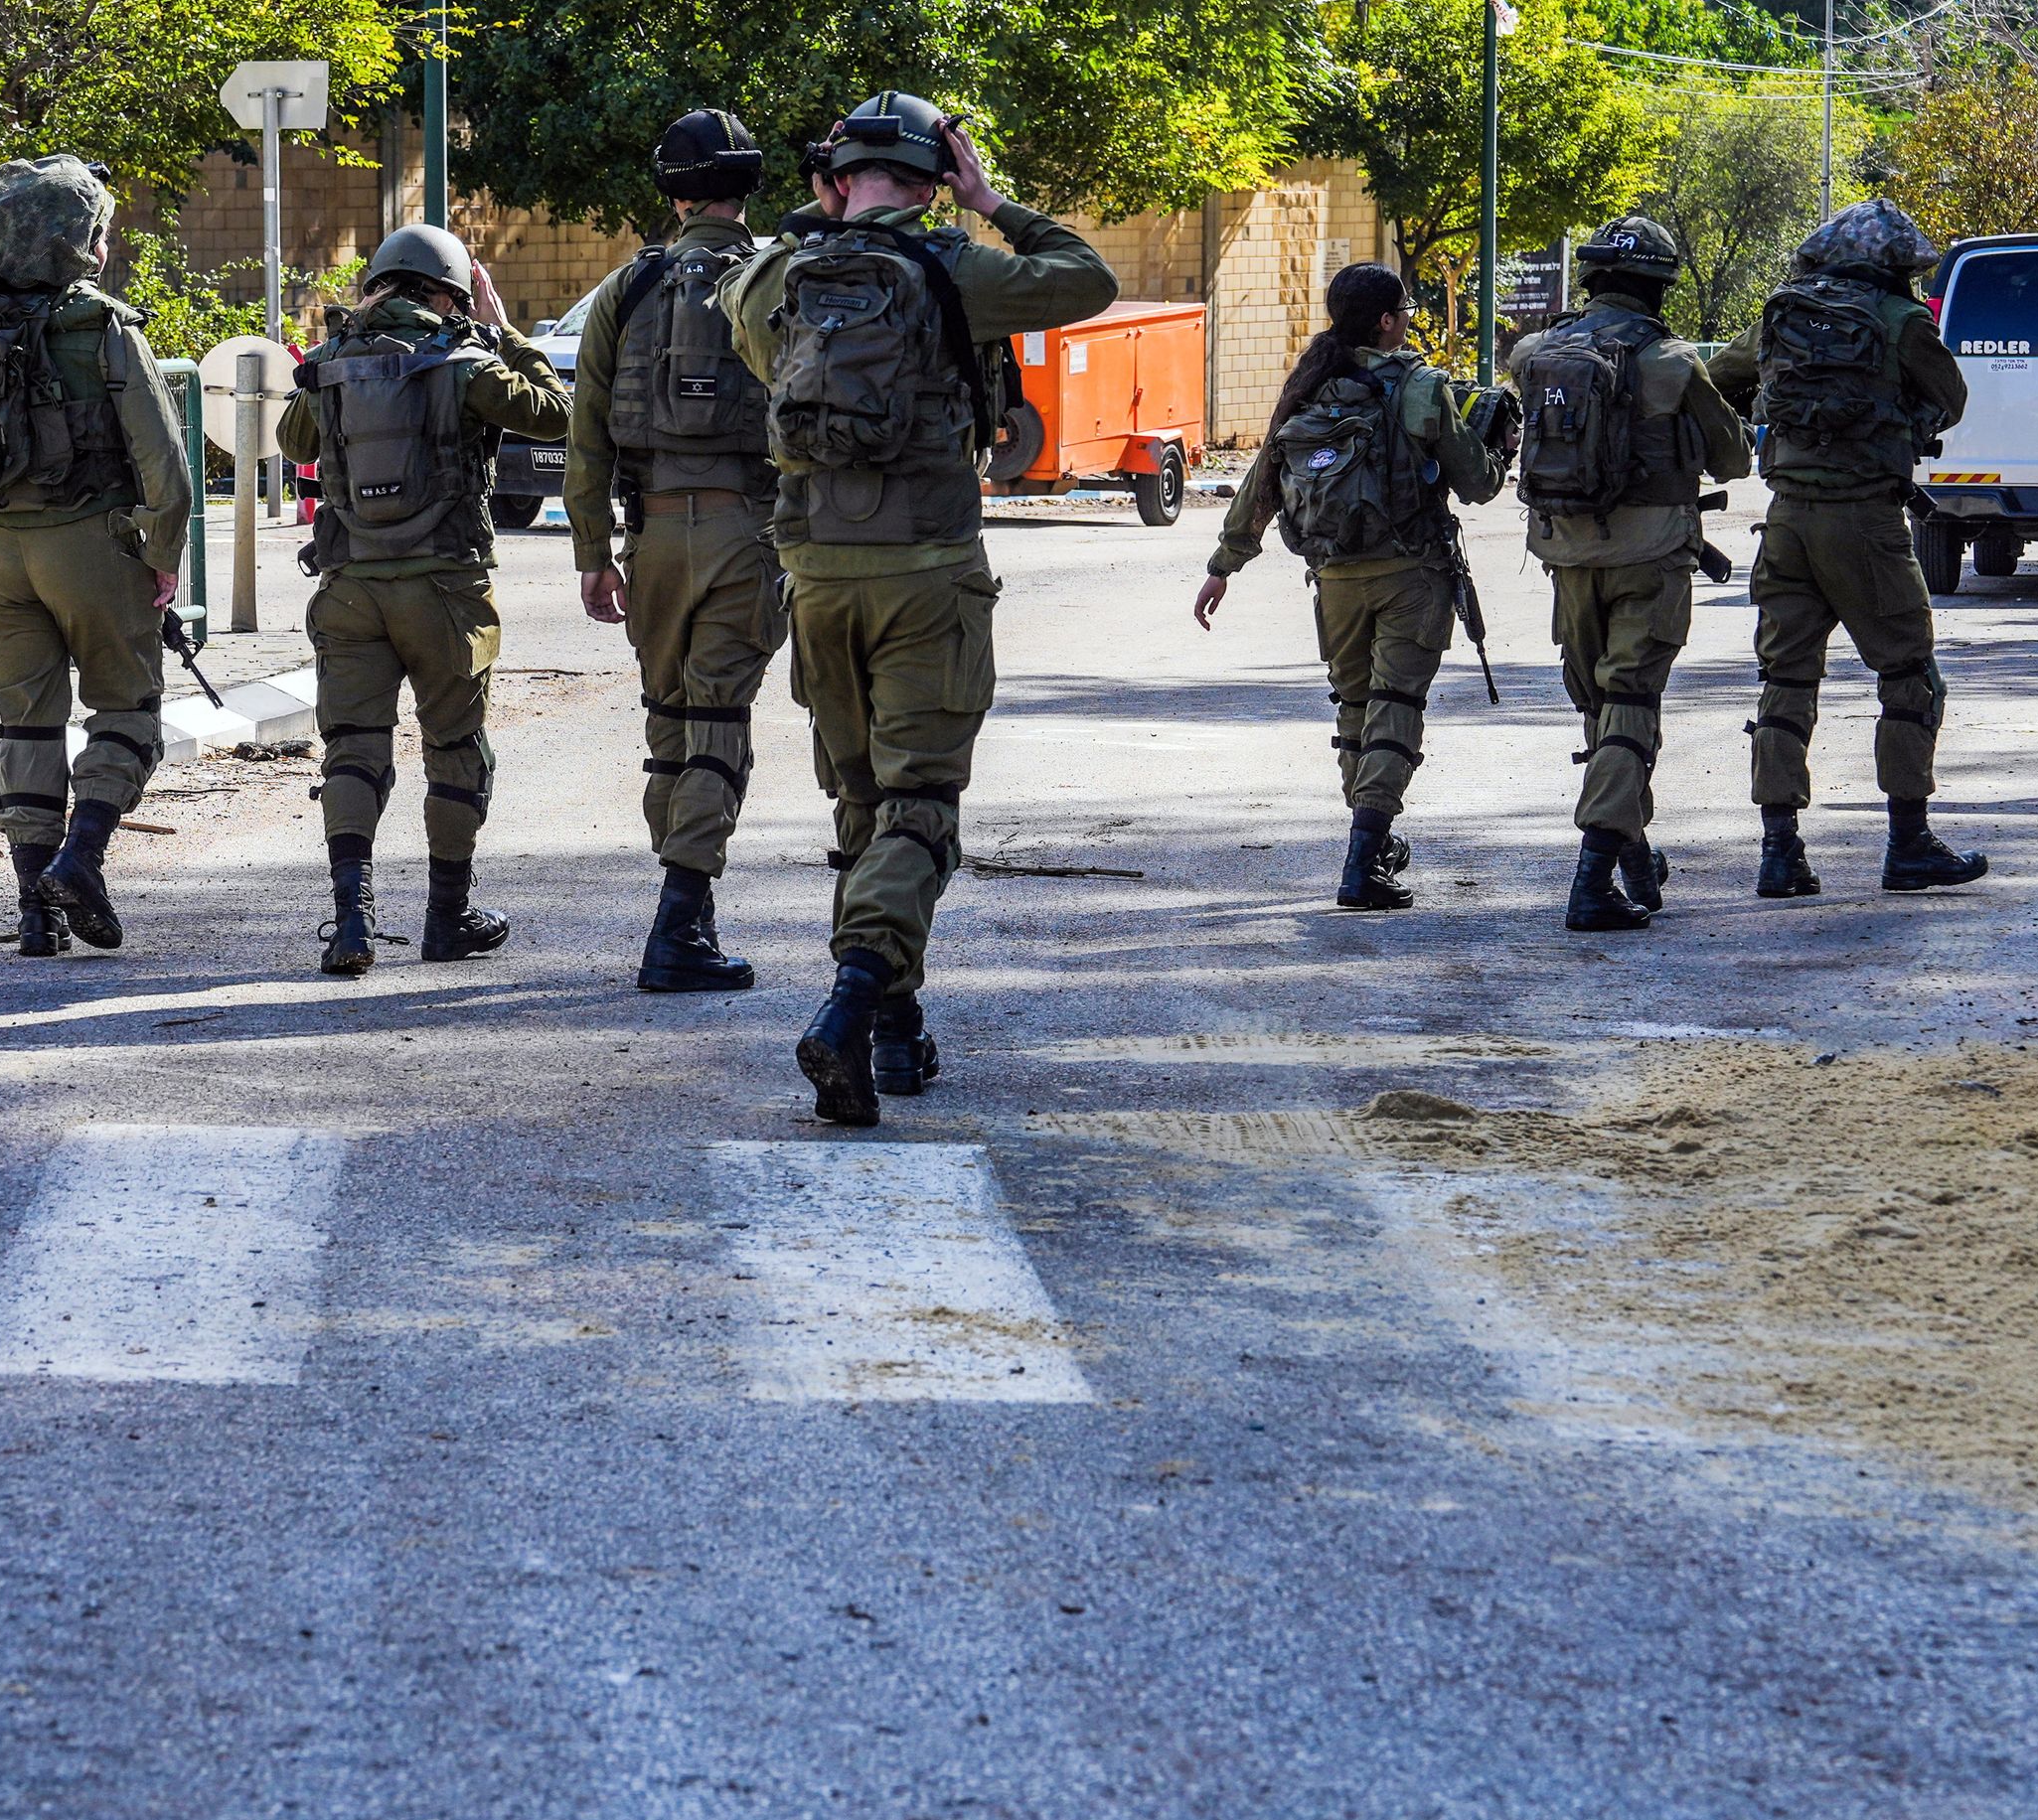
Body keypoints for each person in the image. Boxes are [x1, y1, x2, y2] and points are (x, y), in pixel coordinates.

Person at [714, 92, 1118, 1125]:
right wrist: (991, 200)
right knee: (920, 806)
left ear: (836, 174)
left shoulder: (777, 277)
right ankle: (853, 1003)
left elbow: (746, 328)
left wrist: (816, 219)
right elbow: (1088, 277)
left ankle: (896, 1034)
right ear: (933, 178)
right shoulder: (953, 267)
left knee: (860, 803)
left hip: (815, 574)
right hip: (926, 570)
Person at [0, 154, 192, 956]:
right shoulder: (98, 323)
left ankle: (36, 914)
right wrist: (163, 557)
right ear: (75, 239)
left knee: (24, 727)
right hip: (89, 545)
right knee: (127, 709)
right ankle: (80, 860)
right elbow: (165, 463)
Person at [278, 226, 575, 975]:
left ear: (376, 283)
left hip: (350, 591)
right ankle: (448, 918)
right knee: (454, 746)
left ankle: (352, 920)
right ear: (447, 292)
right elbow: (557, 414)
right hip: (445, 589)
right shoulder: (466, 361)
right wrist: (505, 334)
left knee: (353, 748)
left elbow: (292, 442)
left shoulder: (330, 362)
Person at [1192, 262, 1508, 909]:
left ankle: (1370, 841)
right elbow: (1477, 483)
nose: (1409, 324)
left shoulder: (1309, 383)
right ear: (1387, 321)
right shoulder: (1418, 386)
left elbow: (1264, 481)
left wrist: (1224, 565)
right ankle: (1363, 861)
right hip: (1409, 574)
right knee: (1397, 707)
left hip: (1333, 578)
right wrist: (1497, 448)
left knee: (1355, 712)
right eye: (1407, 314)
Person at [1703, 197, 1986, 896]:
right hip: (1864, 521)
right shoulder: (1902, 321)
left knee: (1786, 681)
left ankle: (1780, 853)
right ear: (1895, 265)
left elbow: (1721, 382)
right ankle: (1908, 844)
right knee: (1910, 678)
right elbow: (1952, 397)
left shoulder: (1782, 314)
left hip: (1788, 520)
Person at [565, 108, 785, 992]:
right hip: (745, 530)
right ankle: (678, 919)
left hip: (649, 534)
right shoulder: (775, 279)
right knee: (719, 723)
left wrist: (592, 551)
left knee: (668, 726)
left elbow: (587, 436)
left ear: (676, 192)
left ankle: (685, 908)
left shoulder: (628, 288)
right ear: (741, 190)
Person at [1506, 216, 1750, 931]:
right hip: (1651, 558)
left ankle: (1634, 859)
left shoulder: (1533, 353)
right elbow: (1734, 462)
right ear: (1658, 285)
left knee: (1603, 712)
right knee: (1632, 707)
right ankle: (1591, 881)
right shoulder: (1674, 362)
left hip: (1566, 556)